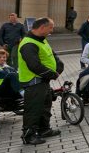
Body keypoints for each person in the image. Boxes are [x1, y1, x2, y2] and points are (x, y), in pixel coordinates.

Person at [17, 17, 64, 145]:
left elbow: (53, 56)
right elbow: (34, 65)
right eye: (50, 28)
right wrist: (52, 74)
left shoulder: (41, 40)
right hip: (34, 82)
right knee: (33, 109)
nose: (52, 31)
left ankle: (44, 130)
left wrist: (59, 67)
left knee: (45, 106)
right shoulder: (28, 44)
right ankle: (28, 136)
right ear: (42, 27)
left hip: (43, 81)